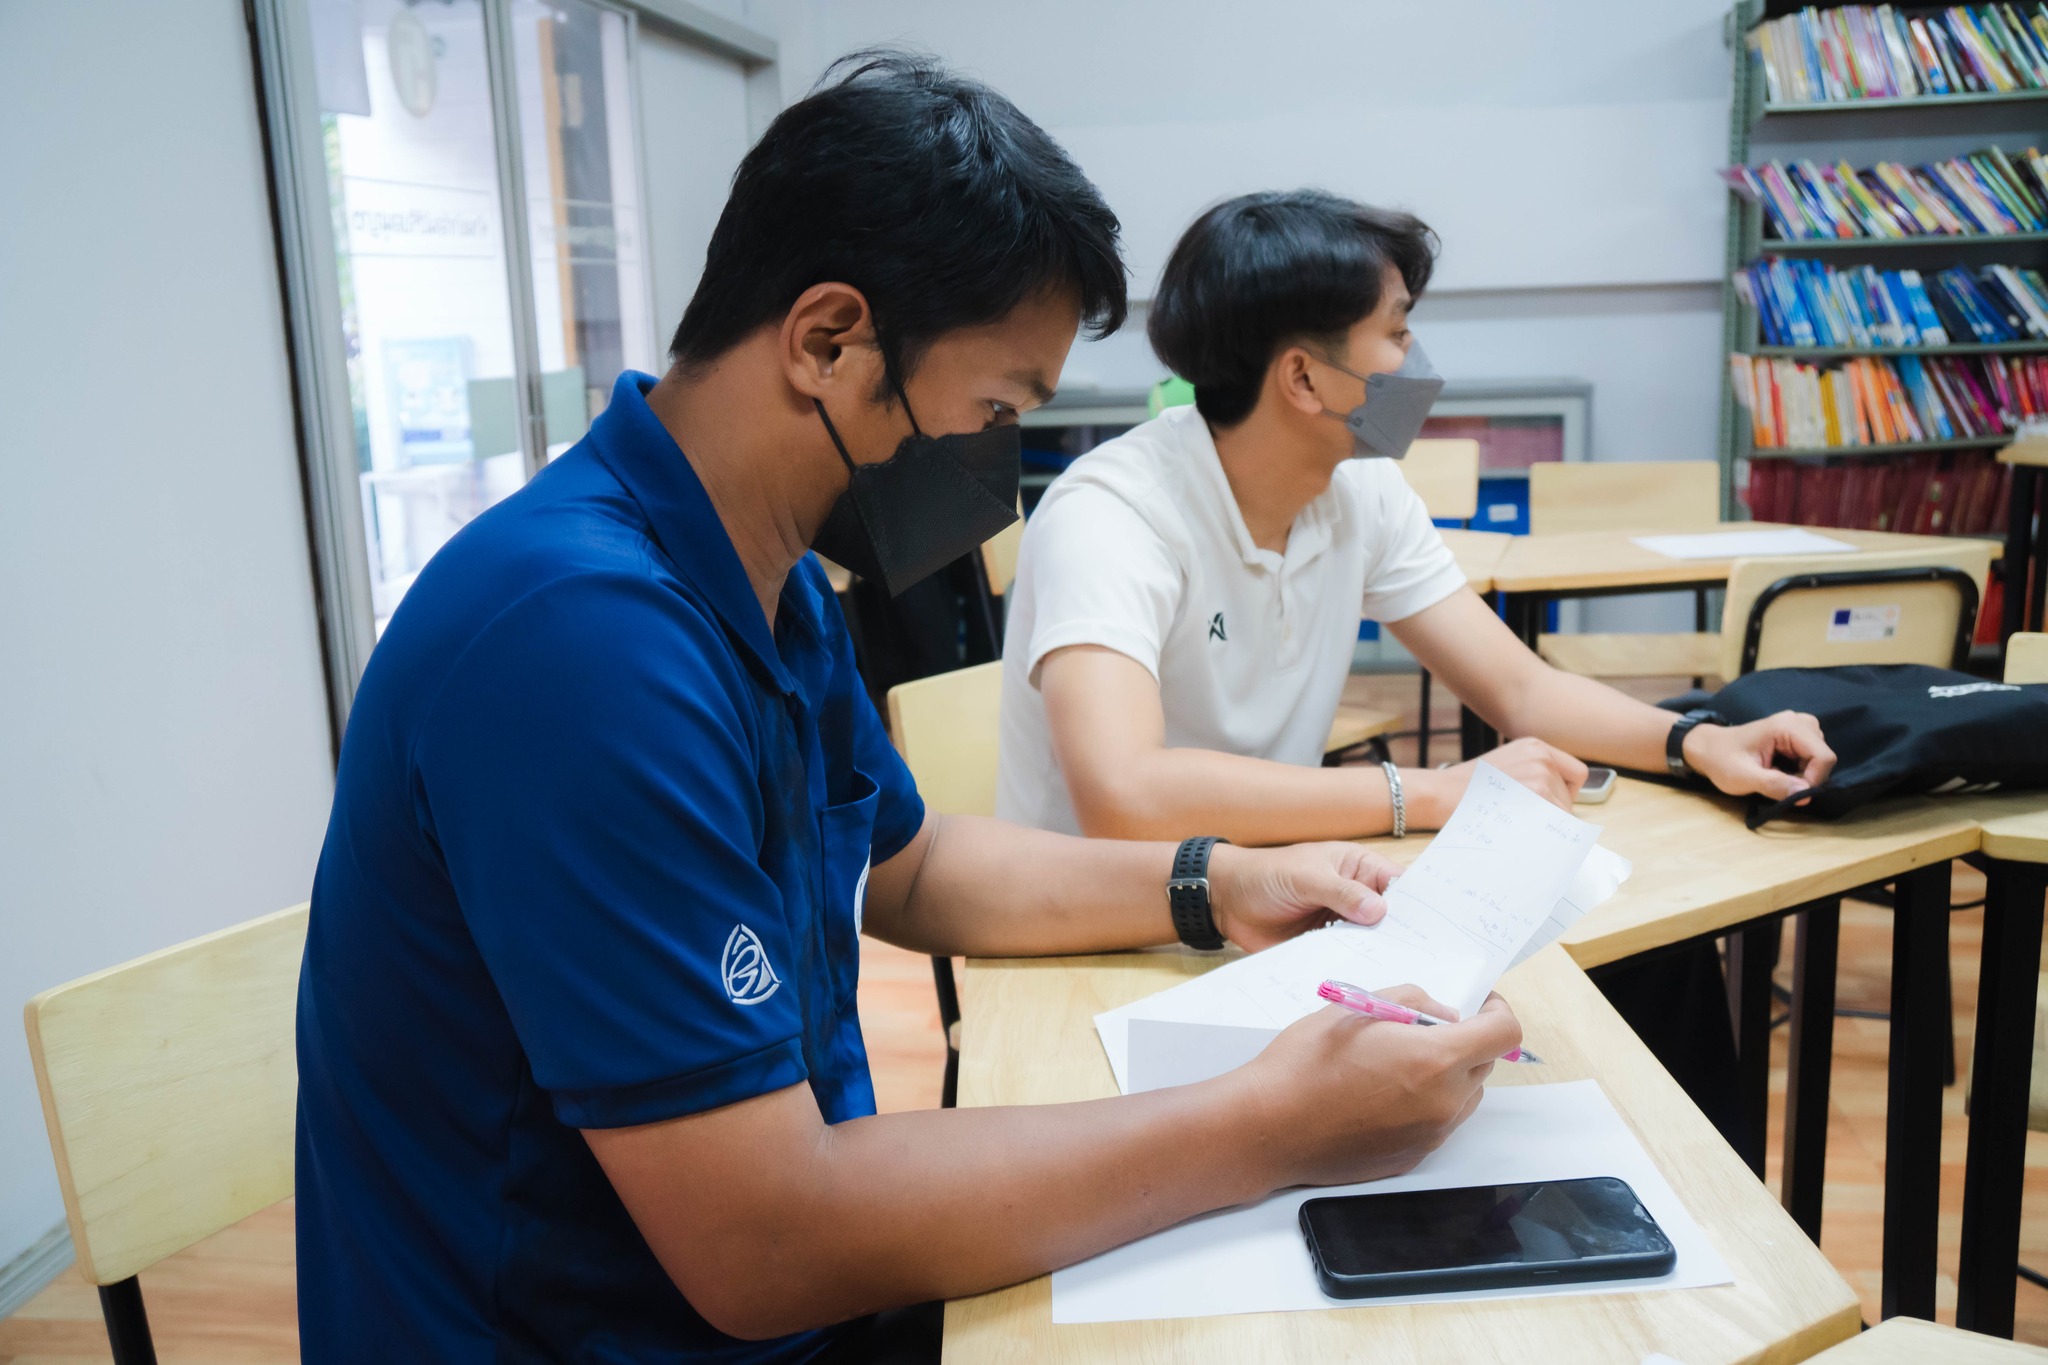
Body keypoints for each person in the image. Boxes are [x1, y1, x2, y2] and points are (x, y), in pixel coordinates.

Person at [295, 58, 1520, 1364]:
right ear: (829, 342)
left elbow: (915, 862)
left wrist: (1215, 883)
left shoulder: (765, 577)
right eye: (992, 410)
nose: (993, 466)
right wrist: (1273, 1125)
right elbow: (760, 1243)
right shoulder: (576, 645)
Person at [992, 190, 1837, 1140]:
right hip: (1108, 937)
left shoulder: (1358, 490)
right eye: (1396, 335)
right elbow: (1125, 796)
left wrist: (1698, 741)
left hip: (1277, 897)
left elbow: (1519, 687)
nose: (1415, 363)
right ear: (1305, 380)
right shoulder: (1114, 513)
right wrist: (1430, 791)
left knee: (1659, 961)